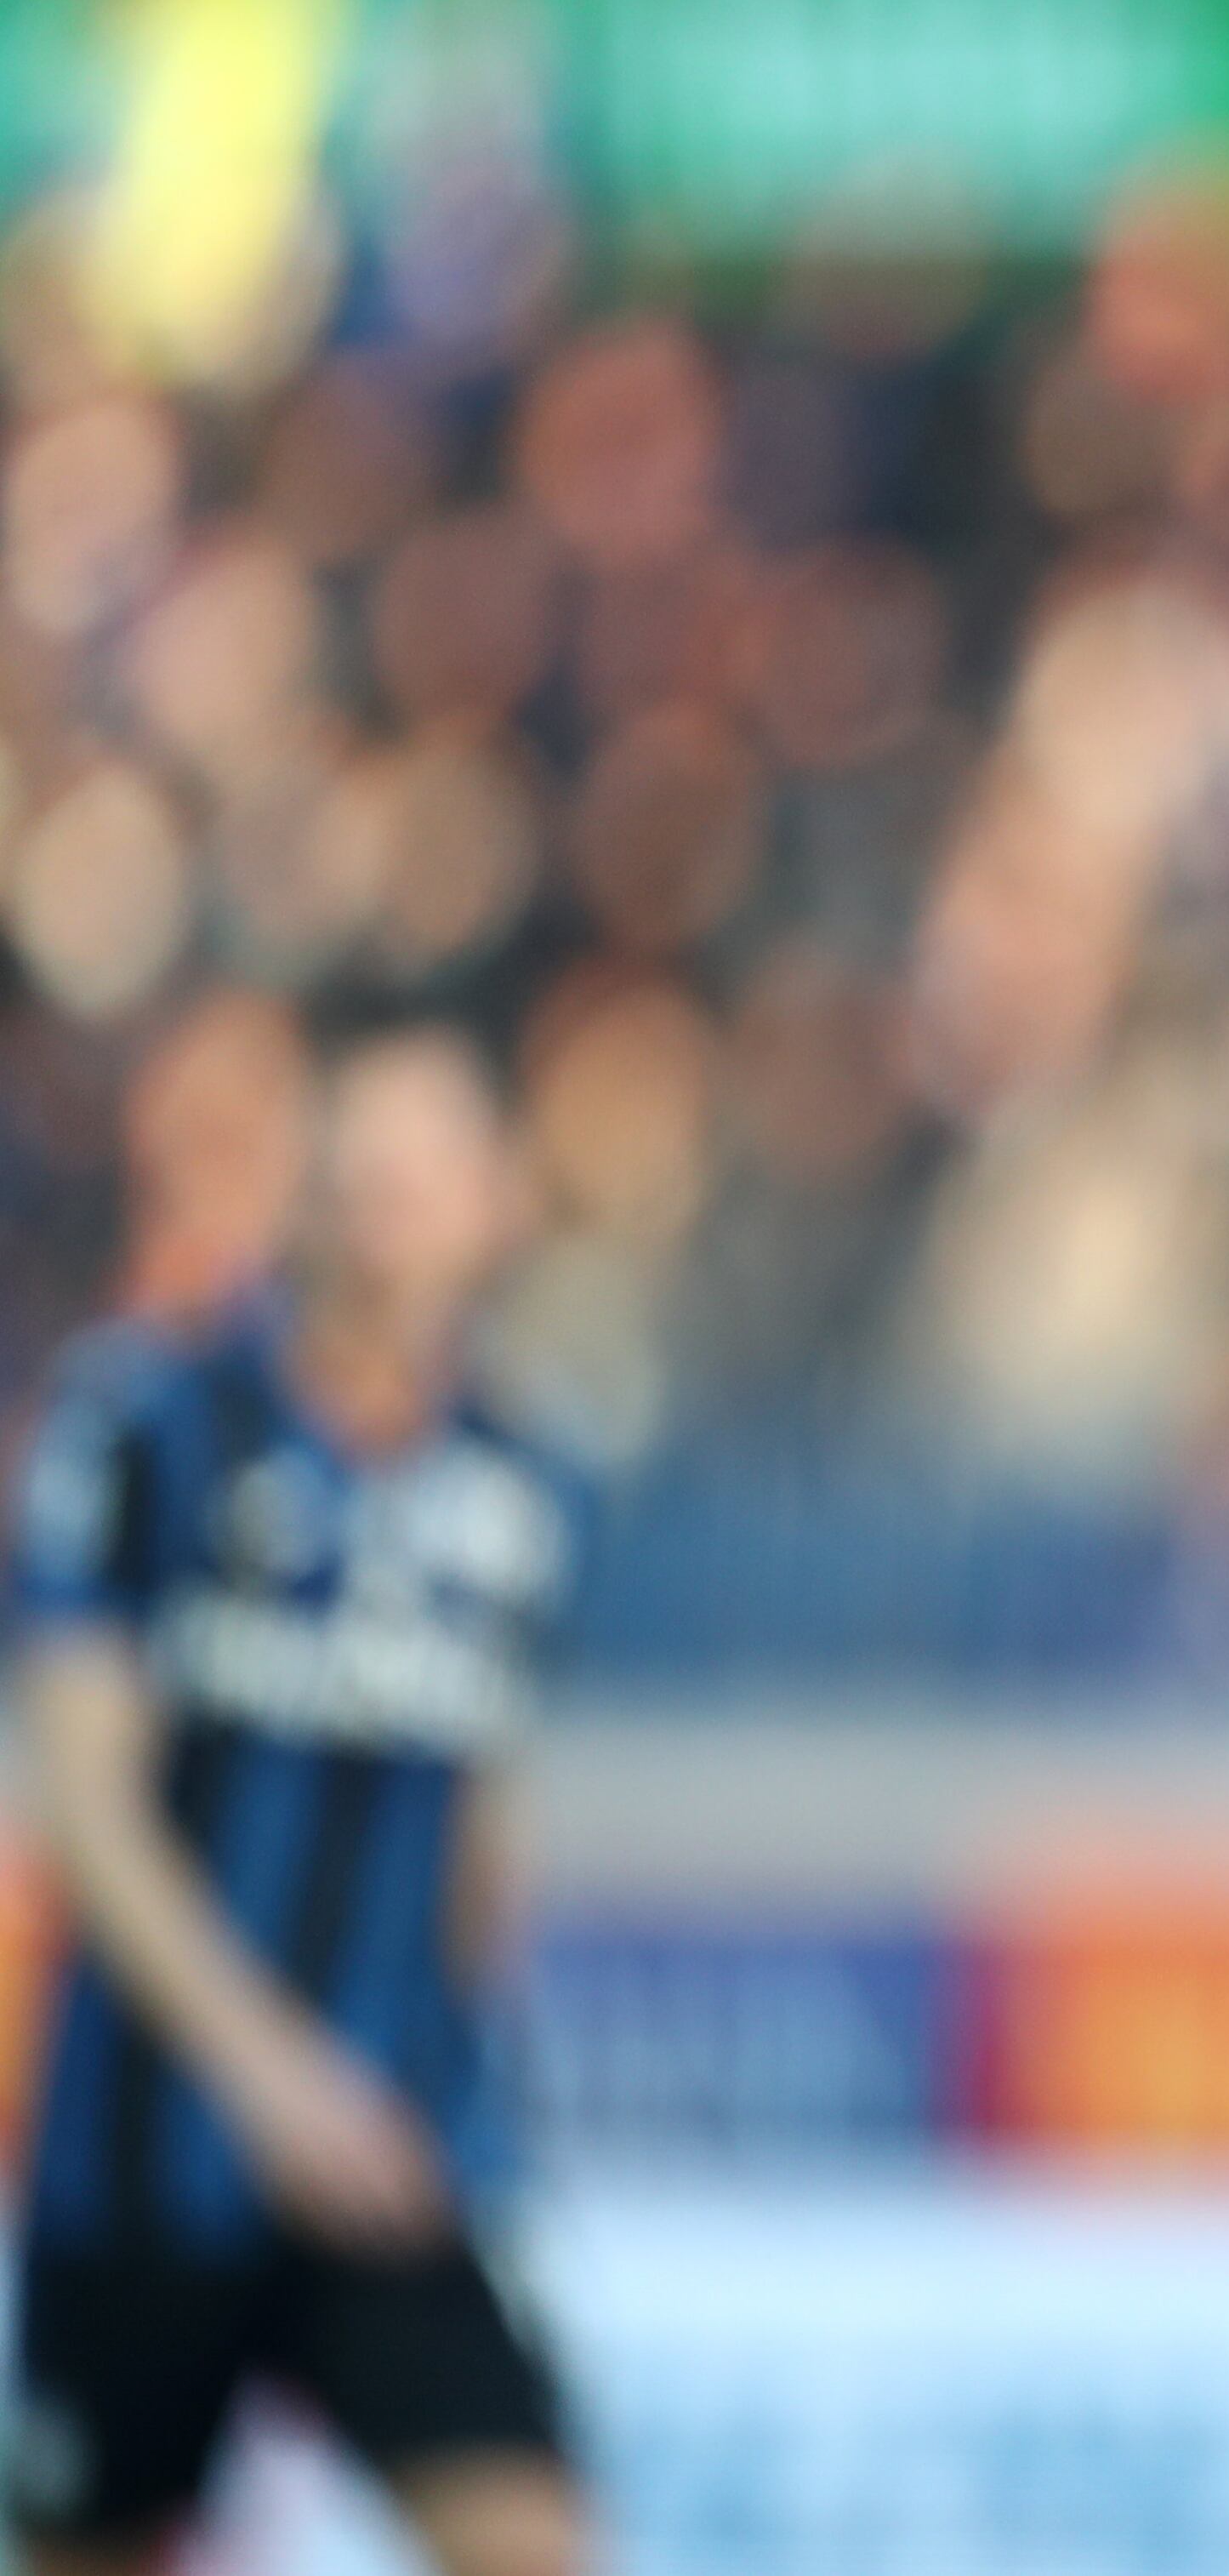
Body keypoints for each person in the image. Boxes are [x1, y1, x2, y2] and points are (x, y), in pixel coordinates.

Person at [7, 1018, 588, 2576]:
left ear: (497, 1198)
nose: (379, 1204)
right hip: (152, 2156)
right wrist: (268, 2077)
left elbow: (480, 1816)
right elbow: (87, 1802)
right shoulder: (146, 1426)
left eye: (419, 1171)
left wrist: (483, 2085)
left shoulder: (522, 1482)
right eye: (355, 1166)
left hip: (388, 2160)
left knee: (538, 2543)